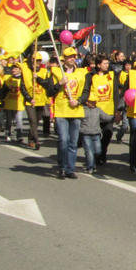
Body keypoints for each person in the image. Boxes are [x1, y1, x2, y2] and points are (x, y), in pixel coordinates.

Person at [49, 47, 85, 179]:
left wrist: (79, 101)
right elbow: (50, 91)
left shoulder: (81, 72)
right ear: (64, 58)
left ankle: (70, 168)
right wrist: (59, 83)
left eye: (74, 56)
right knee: (63, 140)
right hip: (61, 111)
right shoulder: (56, 72)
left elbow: (85, 91)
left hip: (76, 111)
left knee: (73, 142)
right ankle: (62, 167)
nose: (72, 59)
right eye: (70, 57)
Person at [79, 54, 116, 167]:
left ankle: (102, 153)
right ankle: (92, 157)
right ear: (99, 65)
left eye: (108, 63)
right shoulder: (90, 76)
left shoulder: (112, 75)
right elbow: (86, 90)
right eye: (104, 63)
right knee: (93, 134)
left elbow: (115, 93)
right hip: (94, 110)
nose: (107, 65)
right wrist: (84, 102)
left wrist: (117, 111)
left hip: (108, 110)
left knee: (107, 133)